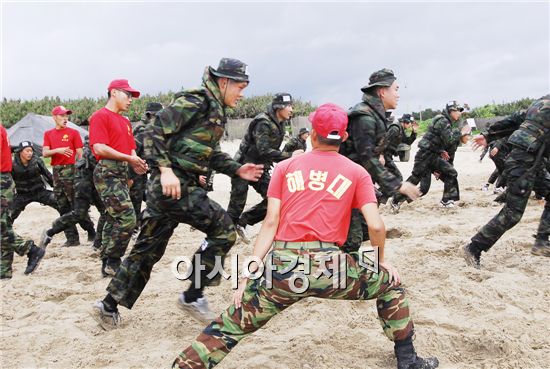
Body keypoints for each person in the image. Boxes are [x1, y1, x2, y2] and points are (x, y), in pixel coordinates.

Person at [171, 103, 439, 369]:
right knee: (391, 285)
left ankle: (184, 366)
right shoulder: (357, 172)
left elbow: (271, 222)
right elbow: (376, 226)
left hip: (283, 268)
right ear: (344, 137)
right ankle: (408, 359)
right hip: (333, 268)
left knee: (229, 326)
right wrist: (378, 261)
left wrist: (248, 274)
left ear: (312, 134)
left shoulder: (286, 168)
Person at [91, 58, 264, 328]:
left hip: (167, 189)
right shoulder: (197, 101)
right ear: (224, 82)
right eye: (240, 86)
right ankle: (193, 295)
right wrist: (166, 170)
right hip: (174, 185)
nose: (242, 93)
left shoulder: (215, 109)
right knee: (224, 230)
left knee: (147, 250)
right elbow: (153, 130)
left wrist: (237, 169)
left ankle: (108, 305)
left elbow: (209, 153)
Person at [339, 68, 420, 251]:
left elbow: (374, 153)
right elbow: (366, 157)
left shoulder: (375, 114)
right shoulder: (365, 117)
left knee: (363, 231)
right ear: (382, 91)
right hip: (345, 185)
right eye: (396, 89)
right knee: (353, 238)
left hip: (356, 183)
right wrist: (398, 185)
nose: (398, 95)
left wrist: (394, 178)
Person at [464, 96, 550, 267]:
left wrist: (489, 134)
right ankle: (474, 248)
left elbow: (514, 118)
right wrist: (489, 136)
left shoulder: (542, 102)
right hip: (524, 162)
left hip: (532, 161)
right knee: (513, 213)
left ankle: (541, 242)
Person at [89, 79, 148, 277]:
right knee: (128, 217)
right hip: (107, 171)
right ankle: (114, 259)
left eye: (132, 96)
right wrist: (129, 158)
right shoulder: (100, 116)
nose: (131, 100)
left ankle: (107, 263)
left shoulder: (125, 121)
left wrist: (136, 163)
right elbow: (99, 147)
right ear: (113, 92)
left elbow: (130, 147)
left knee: (114, 217)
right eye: (127, 94)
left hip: (122, 171)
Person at [227, 93, 301, 243]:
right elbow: (264, 150)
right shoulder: (263, 122)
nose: (291, 109)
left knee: (276, 198)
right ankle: (223, 236)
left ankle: (244, 222)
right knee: (237, 203)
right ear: (278, 107)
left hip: (261, 168)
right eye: (288, 106)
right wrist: (290, 156)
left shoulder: (279, 123)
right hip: (244, 167)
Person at [391, 101, 470, 211]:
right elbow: (449, 139)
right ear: (451, 111)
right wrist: (461, 132)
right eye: (458, 111)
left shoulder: (446, 121)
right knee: (417, 182)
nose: (460, 113)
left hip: (433, 155)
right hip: (425, 155)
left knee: (449, 174)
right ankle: (396, 199)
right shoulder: (442, 120)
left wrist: (440, 151)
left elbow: (438, 141)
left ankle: (446, 200)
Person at [40, 136, 107, 250]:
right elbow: (99, 167)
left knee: (105, 211)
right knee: (79, 213)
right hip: (84, 185)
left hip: (95, 184)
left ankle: (97, 243)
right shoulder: (93, 148)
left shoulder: (101, 145)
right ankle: (51, 230)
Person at [43, 105, 95, 246]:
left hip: (71, 170)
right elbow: (45, 153)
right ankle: (72, 238)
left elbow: (80, 153)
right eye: (62, 116)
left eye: (66, 116)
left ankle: (90, 230)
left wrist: (79, 170)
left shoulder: (73, 132)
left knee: (76, 204)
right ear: (54, 117)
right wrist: (58, 150)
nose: (65, 118)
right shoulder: (49, 134)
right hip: (57, 171)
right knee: (62, 205)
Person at [10, 141, 80, 244]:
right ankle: (6, 239)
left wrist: (58, 191)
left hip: (40, 191)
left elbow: (48, 176)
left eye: (31, 151)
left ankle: (72, 239)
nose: (30, 153)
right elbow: (9, 182)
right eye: (27, 151)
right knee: (7, 215)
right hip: (22, 194)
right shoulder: (13, 164)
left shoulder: (36, 161)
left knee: (62, 205)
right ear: (20, 152)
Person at [0, 124, 45, 279]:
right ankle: (4, 270)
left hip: (1, 182)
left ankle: (31, 249)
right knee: (4, 226)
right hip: (4, 181)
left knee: (2, 227)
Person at [129, 102, 163, 233]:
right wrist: (130, 176)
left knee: (148, 199)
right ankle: (134, 229)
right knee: (136, 201)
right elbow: (134, 151)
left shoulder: (150, 127)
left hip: (143, 170)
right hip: (136, 171)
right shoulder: (142, 129)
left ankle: (138, 226)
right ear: (151, 115)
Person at [379, 113, 419, 203]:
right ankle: (380, 196)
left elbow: (407, 142)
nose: (410, 125)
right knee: (397, 178)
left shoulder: (401, 129)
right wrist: (381, 155)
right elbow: (384, 141)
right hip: (385, 155)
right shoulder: (395, 128)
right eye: (410, 123)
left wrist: (414, 132)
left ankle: (381, 196)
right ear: (405, 122)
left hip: (388, 156)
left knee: (392, 178)